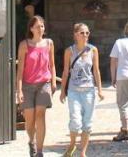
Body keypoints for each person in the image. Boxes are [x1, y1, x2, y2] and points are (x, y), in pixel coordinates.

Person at [59, 22, 104, 157]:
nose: (85, 35)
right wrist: (62, 91)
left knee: (87, 123)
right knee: (75, 121)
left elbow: (96, 70)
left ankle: (83, 153)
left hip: (89, 90)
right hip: (74, 91)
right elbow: (66, 72)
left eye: (87, 33)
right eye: (82, 33)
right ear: (75, 35)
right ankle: (72, 145)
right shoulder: (69, 51)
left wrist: (100, 89)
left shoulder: (93, 50)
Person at [15, 15, 58, 157]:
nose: (41, 29)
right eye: (38, 26)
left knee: (40, 115)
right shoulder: (24, 45)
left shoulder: (49, 43)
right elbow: (20, 70)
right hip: (27, 85)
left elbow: (52, 65)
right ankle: (31, 141)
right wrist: (19, 90)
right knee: (30, 120)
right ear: (31, 28)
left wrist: (52, 83)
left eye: (42, 26)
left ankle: (39, 151)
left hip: (43, 84)